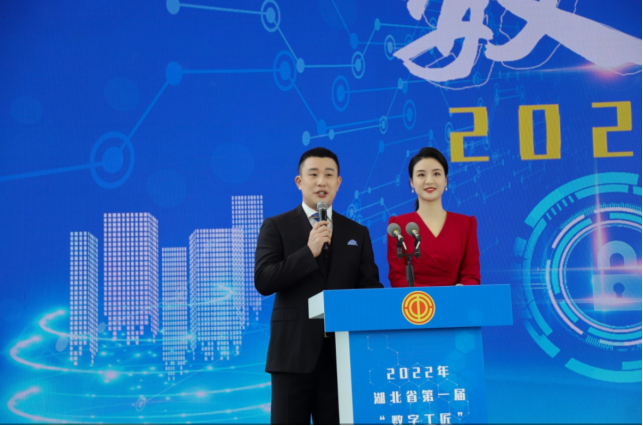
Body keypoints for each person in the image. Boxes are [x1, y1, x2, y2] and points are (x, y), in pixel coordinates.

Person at [255, 147, 383, 424]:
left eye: (329, 175)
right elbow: (264, 280)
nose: (321, 181)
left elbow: (370, 289)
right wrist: (308, 252)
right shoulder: (276, 226)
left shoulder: (357, 232)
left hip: (342, 359)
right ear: (299, 182)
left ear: (339, 182)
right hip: (292, 355)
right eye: (313, 174)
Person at [387, 147, 481, 287]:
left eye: (436, 174)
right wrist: (428, 297)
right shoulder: (398, 226)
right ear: (412, 182)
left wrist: (459, 293)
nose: (429, 181)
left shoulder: (466, 224)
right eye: (421, 175)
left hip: (455, 300)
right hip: (416, 300)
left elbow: (471, 275)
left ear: (445, 181)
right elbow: (397, 276)